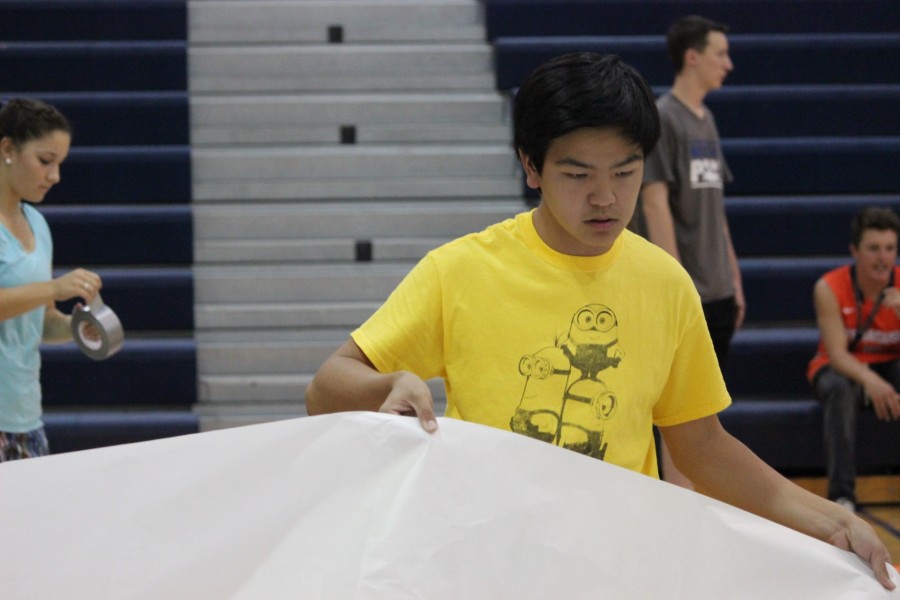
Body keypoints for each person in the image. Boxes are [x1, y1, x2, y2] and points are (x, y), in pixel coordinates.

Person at [306, 52, 895, 590]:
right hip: (491, 565)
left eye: (625, 172)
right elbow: (325, 387)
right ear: (531, 168)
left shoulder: (664, 284)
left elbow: (703, 447)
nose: (606, 198)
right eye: (578, 174)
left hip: (616, 567)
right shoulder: (460, 271)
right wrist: (385, 386)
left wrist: (830, 518)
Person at [639, 15, 744, 489]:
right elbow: (654, 200)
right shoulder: (664, 118)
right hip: (690, 291)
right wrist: (679, 286)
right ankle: (678, 508)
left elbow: (715, 207)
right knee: (677, 413)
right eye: (720, 53)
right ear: (692, 56)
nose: (729, 63)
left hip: (717, 287)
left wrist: (734, 279)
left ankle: (697, 504)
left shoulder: (708, 119)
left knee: (705, 413)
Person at [0, 98, 102, 461]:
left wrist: (77, 326)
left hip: (26, 420)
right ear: (8, 148)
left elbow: (38, 321)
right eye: (45, 161)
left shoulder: (38, 225)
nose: (55, 176)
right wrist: (54, 288)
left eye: (59, 164)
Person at [807, 206, 900, 513]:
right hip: (841, 368)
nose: (882, 258)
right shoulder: (829, 287)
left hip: (890, 364)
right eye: (873, 248)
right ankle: (842, 496)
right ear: (855, 251)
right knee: (839, 389)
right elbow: (836, 355)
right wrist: (873, 381)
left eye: (889, 249)